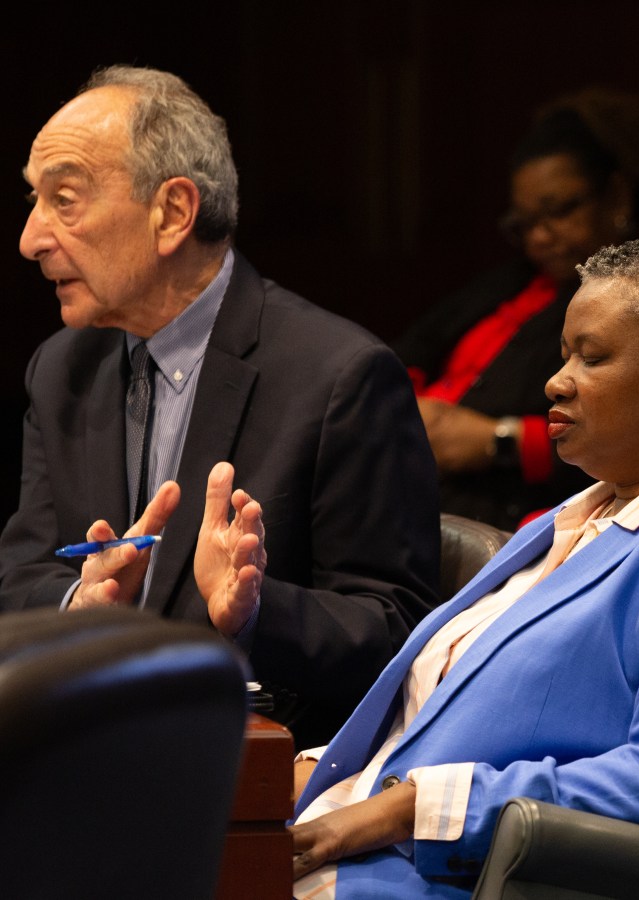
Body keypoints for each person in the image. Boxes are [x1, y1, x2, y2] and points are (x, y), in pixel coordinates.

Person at [290, 233, 639, 898]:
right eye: (565, 353)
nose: (556, 380)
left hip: (452, 880)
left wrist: (413, 808)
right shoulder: (577, 515)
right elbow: (449, 718)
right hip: (350, 843)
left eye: (591, 358)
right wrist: (301, 776)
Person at [0, 66, 441, 747]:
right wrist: (80, 601)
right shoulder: (63, 368)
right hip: (82, 742)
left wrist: (255, 612)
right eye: (34, 200)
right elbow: (21, 572)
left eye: (64, 200)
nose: (31, 239)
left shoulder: (339, 377)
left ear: (173, 213)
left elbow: (397, 631)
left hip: (248, 764)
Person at [397, 88, 639, 530]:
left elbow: (633, 436)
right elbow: (411, 351)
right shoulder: (509, 282)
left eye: (559, 212)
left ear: (617, 197)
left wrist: (496, 441)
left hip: (505, 510)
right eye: (525, 224)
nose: (539, 238)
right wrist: (401, 407)